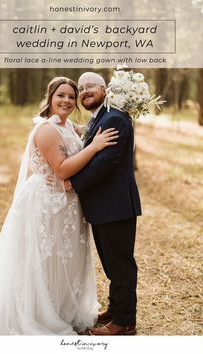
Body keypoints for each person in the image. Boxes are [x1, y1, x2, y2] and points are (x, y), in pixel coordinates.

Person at [0, 76, 118, 335]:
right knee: (46, 257)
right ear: (50, 98)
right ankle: (39, 313)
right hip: (47, 201)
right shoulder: (46, 130)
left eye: (72, 97)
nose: (67, 101)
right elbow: (61, 169)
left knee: (64, 258)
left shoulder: (70, 126)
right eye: (61, 95)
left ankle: (60, 309)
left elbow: (78, 148)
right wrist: (93, 148)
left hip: (68, 201)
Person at [70, 72, 142, 335]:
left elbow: (105, 163)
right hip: (104, 207)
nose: (85, 91)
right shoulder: (100, 116)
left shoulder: (114, 118)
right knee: (112, 264)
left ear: (105, 90)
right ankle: (115, 309)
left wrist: (73, 184)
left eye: (91, 86)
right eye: (81, 88)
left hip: (116, 206)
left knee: (121, 265)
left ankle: (124, 321)